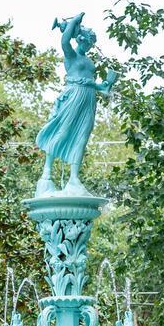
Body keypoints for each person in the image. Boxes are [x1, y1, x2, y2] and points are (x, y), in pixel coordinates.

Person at [36, 12, 118, 194]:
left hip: (88, 99)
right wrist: (74, 21)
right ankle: (47, 172)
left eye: (91, 43)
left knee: (82, 137)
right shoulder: (71, 55)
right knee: (62, 131)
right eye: (88, 41)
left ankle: (74, 177)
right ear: (80, 39)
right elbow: (64, 41)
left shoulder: (89, 61)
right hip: (73, 96)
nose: (89, 45)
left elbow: (97, 86)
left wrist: (106, 84)